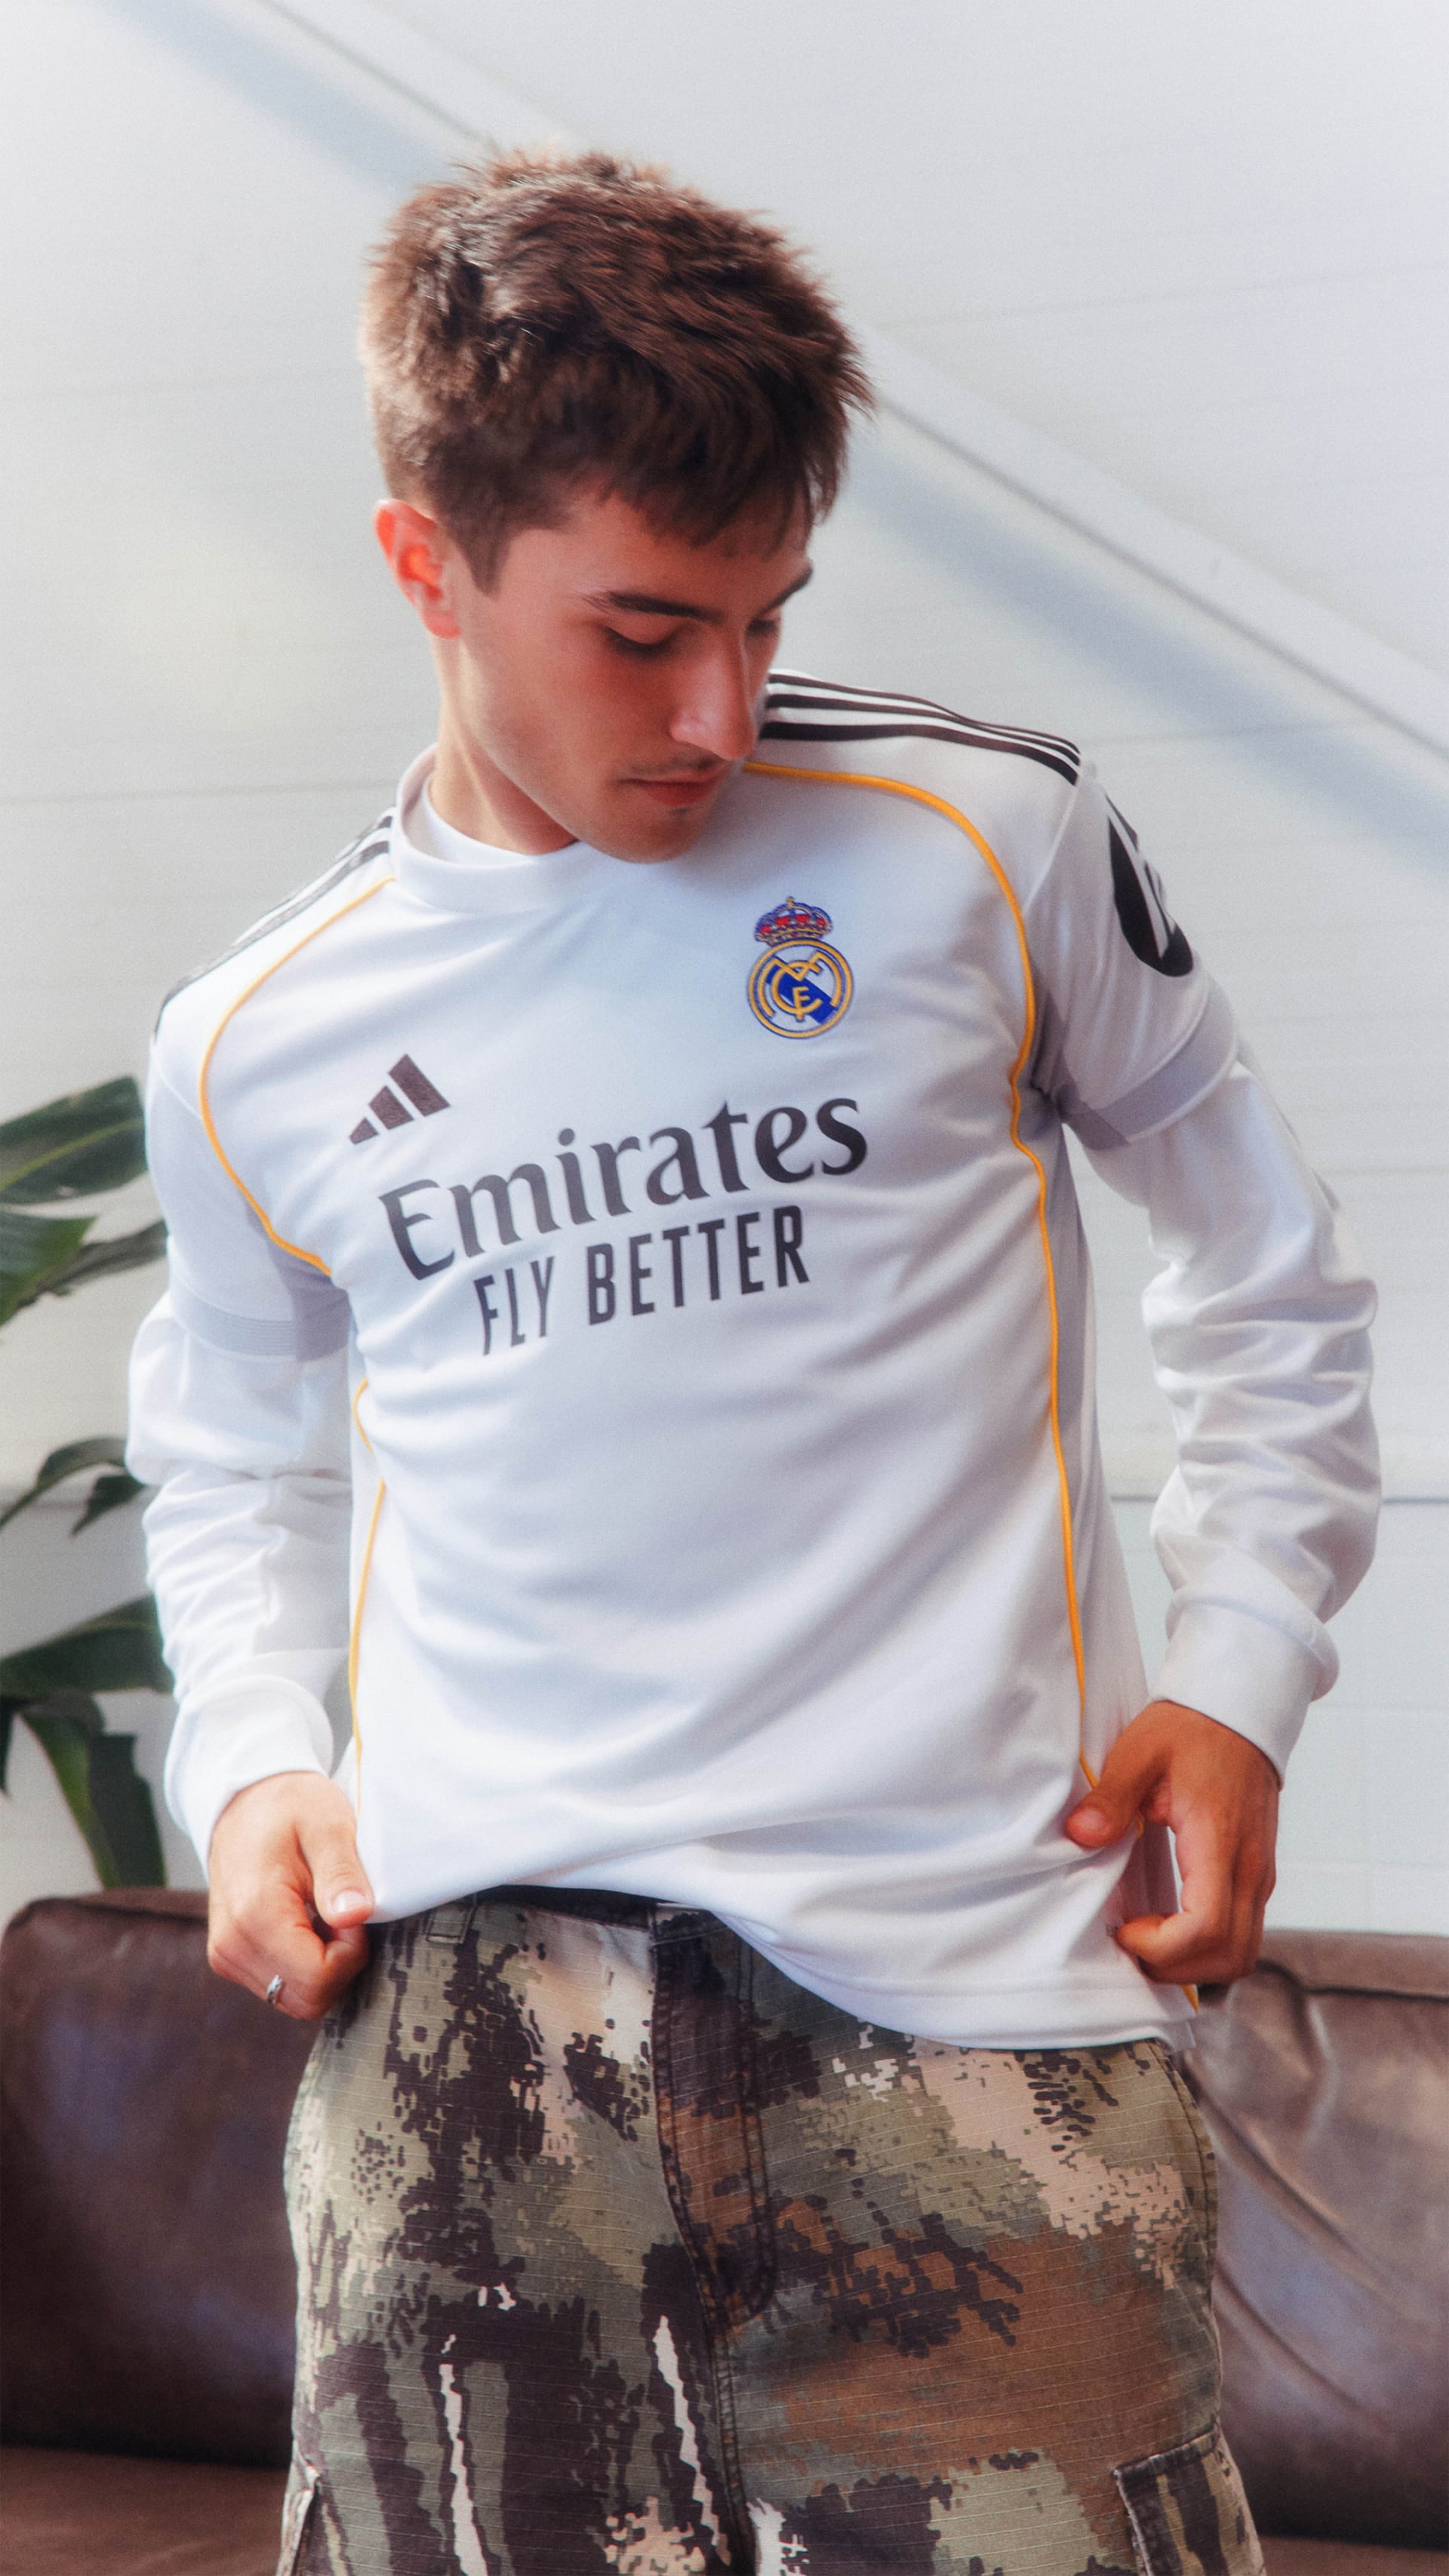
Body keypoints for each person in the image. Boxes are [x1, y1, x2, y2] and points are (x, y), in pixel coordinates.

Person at [128, 150, 1377, 2576]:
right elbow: (230, 1449)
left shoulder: (982, 835)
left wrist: (1242, 1665)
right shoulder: (254, 1037)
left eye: (768, 617)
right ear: (425, 563)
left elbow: (1267, 1263)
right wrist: (256, 1748)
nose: (718, 707)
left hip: (976, 1987)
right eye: (639, 632)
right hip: (470, 2028)